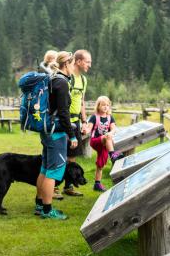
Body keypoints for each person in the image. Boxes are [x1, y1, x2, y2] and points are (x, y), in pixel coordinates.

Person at [35, 51, 78, 220]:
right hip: (55, 133)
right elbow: (63, 112)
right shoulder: (61, 83)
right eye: (73, 63)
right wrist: (72, 135)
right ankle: (47, 210)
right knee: (53, 172)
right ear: (67, 64)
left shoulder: (54, 79)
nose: (74, 67)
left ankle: (40, 204)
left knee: (45, 169)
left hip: (47, 131)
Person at [62, 49, 92, 197]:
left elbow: (82, 102)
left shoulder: (84, 80)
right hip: (65, 122)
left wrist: (85, 122)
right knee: (60, 154)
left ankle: (68, 186)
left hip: (76, 122)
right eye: (87, 62)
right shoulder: (68, 77)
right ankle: (53, 187)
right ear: (78, 61)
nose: (89, 65)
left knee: (72, 155)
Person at [85, 96, 122, 192]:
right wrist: (86, 130)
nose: (106, 107)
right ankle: (113, 155)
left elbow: (114, 129)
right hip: (96, 141)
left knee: (101, 164)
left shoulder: (110, 118)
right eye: (103, 105)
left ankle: (97, 184)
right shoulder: (94, 117)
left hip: (106, 143)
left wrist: (110, 133)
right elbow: (89, 128)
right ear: (98, 106)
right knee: (107, 137)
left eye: (107, 105)